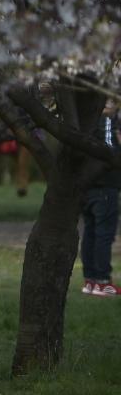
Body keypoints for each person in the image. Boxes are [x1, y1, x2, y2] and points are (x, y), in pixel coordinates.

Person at [81, 107, 120, 297]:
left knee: (91, 232)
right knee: (104, 234)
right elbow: (112, 145)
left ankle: (90, 280)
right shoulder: (108, 122)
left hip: (87, 184)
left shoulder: (84, 119)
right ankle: (102, 281)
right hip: (105, 184)